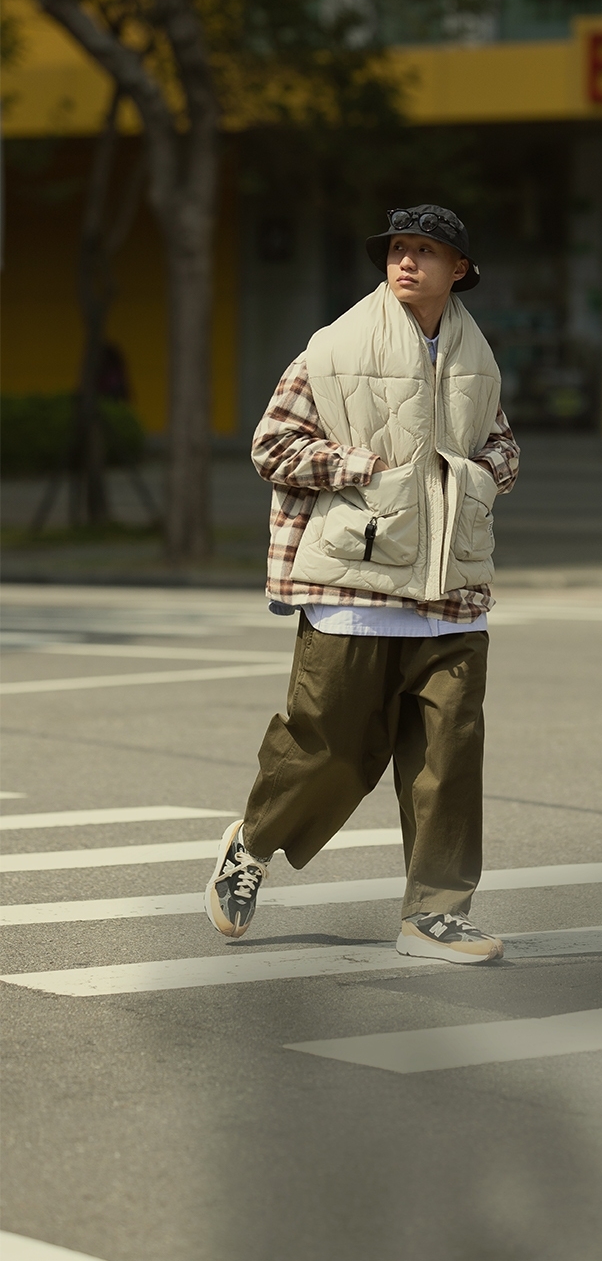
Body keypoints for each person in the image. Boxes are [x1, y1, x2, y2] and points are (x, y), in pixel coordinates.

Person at [205, 205, 519, 964]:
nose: (407, 261)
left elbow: (501, 442)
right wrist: (360, 469)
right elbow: (273, 445)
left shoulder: (477, 357)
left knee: (450, 757)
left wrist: (481, 477)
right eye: (398, 248)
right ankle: (253, 843)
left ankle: (435, 916)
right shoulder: (335, 346)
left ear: (459, 270)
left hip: (453, 591)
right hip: (354, 586)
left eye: (426, 251)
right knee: (328, 748)